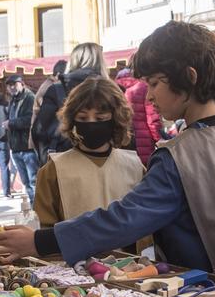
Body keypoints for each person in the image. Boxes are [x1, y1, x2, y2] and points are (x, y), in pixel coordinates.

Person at [0, 21, 215, 290]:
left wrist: (39, 241)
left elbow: (125, 218)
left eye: (154, 83)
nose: (149, 95)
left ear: (188, 78)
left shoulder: (179, 155)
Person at [33, 76, 144, 227]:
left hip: (126, 251)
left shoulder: (134, 167)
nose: (91, 124)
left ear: (115, 119)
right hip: (74, 250)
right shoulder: (53, 170)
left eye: (100, 118)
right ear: (73, 120)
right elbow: (44, 227)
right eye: (83, 118)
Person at [36, 43, 105, 163]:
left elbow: (39, 130)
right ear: (100, 61)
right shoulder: (113, 90)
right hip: (104, 161)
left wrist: (46, 161)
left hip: (64, 160)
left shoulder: (57, 89)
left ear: (73, 60)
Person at [115, 67, 163, 164]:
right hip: (144, 141)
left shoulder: (115, 88)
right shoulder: (143, 87)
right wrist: (159, 139)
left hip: (123, 142)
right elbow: (152, 120)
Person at [4, 75, 38, 202]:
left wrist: (11, 123)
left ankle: (40, 211)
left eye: (14, 84)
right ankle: (33, 208)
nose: (12, 87)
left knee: (34, 181)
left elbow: (31, 119)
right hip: (17, 148)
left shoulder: (29, 98)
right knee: (26, 183)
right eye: (9, 85)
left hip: (28, 147)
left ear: (22, 83)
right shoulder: (13, 99)